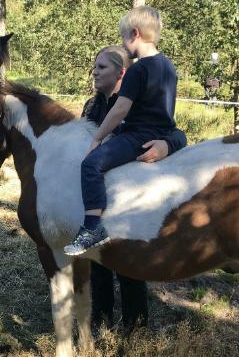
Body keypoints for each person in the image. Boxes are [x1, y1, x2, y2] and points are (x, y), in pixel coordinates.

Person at [80, 45, 187, 335]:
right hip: (99, 197)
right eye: (94, 66)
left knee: (128, 268)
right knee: (97, 262)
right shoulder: (91, 107)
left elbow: (175, 131)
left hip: (130, 202)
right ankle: (100, 321)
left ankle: (136, 330)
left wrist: (168, 144)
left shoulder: (135, 103)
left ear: (121, 73)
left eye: (101, 67)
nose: (95, 72)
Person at [64, 6, 182, 255]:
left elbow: (120, 110)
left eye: (123, 37)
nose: (123, 43)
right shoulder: (169, 66)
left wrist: (98, 137)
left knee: (91, 165)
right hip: (161, 131)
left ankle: (93, 227)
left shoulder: (139, 69)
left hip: (138, 135)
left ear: (135, 34)